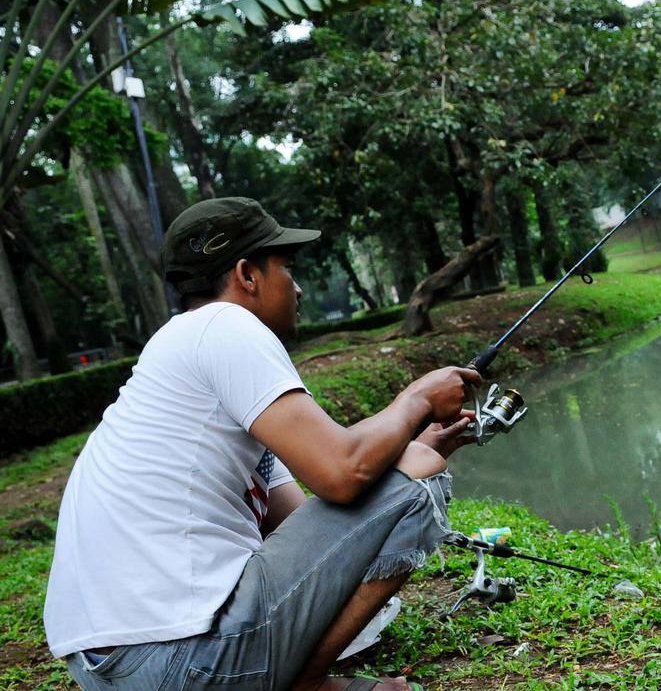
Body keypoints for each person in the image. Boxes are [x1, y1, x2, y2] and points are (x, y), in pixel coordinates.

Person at [44, 197, 481, 691]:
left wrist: (405, 449)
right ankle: (307, 684)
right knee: (418, 475)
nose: (296, 287)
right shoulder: (224, 324)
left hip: (110, 671)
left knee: (412, 461)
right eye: (286, 269)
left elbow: (316, 533)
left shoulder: (183, 356)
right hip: (176, 660)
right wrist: (416, 401)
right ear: (247, 274)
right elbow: (341, 474)